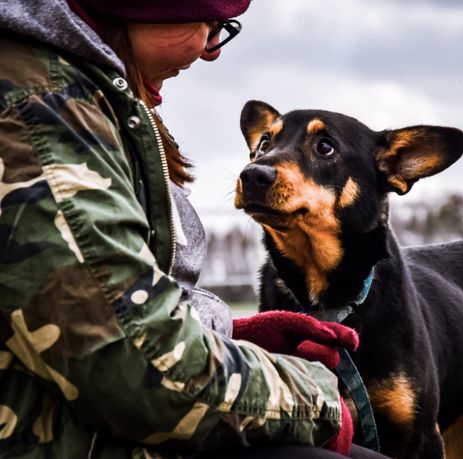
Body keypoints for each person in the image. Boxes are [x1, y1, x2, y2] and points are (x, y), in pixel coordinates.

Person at [0, 1, 390, 457]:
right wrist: (317, 398)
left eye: (223, 28)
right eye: (209, 22)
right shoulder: (40, 113)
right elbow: (133, 366)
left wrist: (224, 332)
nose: (211, 49)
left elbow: (100, 306)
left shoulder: (85, 94)